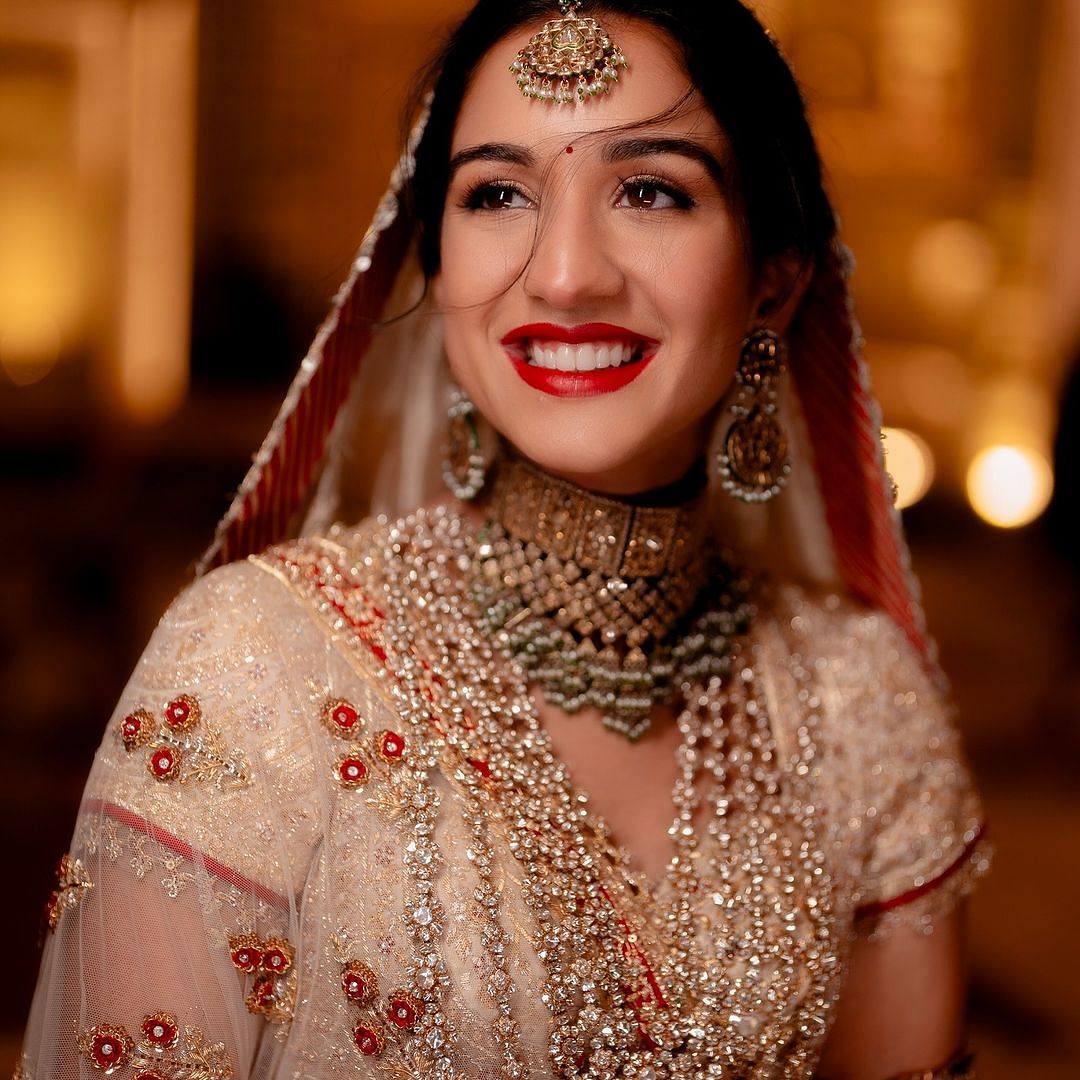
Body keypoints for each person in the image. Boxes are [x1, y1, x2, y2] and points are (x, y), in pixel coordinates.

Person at [18, 2, 989, 1077]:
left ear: (776, 279)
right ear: (435, 271)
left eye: (652, 189)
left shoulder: (862, 703)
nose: (566, 274)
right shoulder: (259, 666)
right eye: (497, 193)